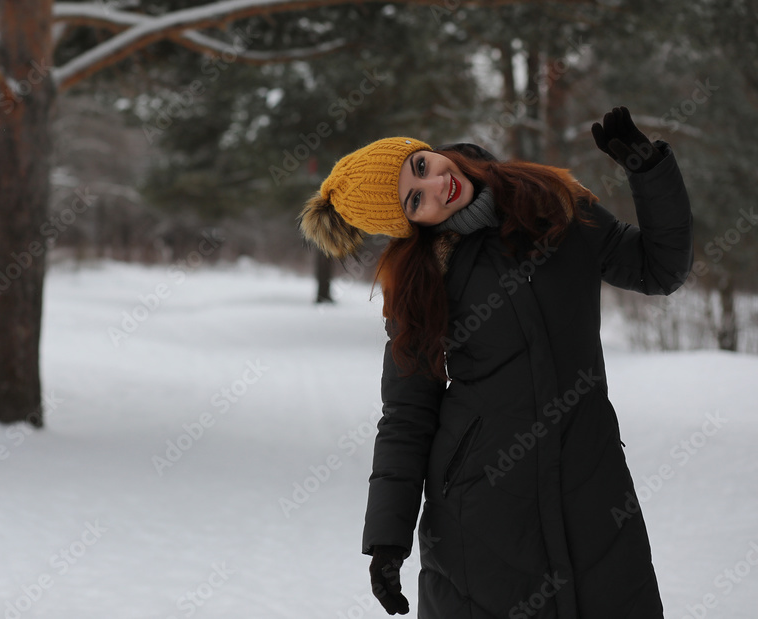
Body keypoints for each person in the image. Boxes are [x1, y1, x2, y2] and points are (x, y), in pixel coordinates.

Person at [297, 107, 693, 618]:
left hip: (592, 482)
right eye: (414, 200)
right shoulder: (423, 280)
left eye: (422, 166)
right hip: (479, 512)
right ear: (408, 223)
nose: (437, 185)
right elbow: (407, 413)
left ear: (429, 149)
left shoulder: (553, 203)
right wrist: (387, 539)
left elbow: (658, 268)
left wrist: (647, 169)